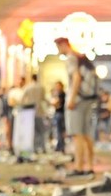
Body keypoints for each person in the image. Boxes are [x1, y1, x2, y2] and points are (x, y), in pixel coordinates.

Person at [54, 36, 97, 178]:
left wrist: (71, 98)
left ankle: (79, 167)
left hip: (77, 100)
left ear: (63, 45)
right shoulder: (82, 57)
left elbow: (76, 77)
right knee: (86, 134)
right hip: (87, 99)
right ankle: (90, 166)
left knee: (77, 134)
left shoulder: (71, 58)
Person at [21, 74, 46, 153]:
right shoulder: (41, 87)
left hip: (30, 111)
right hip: (39, 111)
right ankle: (42, 147)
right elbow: (43, 98)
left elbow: (22, 99)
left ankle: (34, 147)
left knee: (32, 131)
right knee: (41, 130)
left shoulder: (27, 87)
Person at [50, 81, 66, 153]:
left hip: (60, 114)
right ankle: (60, 146)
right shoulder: (60, 94)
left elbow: (57, 104)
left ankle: (60, 146)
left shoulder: (61, 94)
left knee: (60, 131)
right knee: (59, 131)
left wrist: (54, 103)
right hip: (59, 113)